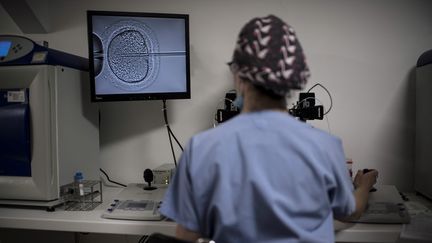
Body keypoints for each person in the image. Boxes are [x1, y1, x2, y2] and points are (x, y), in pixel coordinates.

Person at [159, 15, 378, 243]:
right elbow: (351, 212)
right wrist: (364, 186)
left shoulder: (201, 149)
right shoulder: (325, 146)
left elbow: (186, 236)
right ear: (294, 78)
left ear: (238, 75)